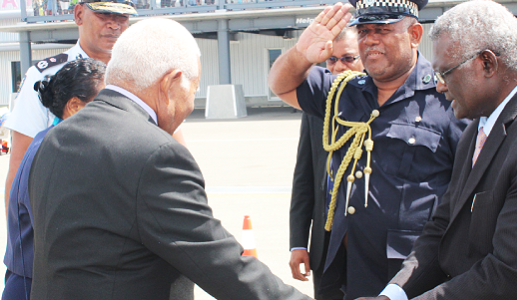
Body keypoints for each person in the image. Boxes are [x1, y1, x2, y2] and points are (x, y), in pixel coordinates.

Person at [28, 18, 311, 300]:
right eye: (194, 89)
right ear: (171, 82)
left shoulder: (55, 138)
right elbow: (223, 266)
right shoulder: (154, 154)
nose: (190, 103)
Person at [359, 1, 517, 299]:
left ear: (486, 63)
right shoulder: (480, 123)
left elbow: (507, 274)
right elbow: (443, 227)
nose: (440, 87)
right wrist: (393, 294)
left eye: (445, 73)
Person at [268, 1, 468, 299]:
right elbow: (281, 85)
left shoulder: (448, 98)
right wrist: (301, 54)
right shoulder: (343, 91)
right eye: (363, 31)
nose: (370, 39)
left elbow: (470, 193)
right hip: (341, 267)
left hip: (408, 275)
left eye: (383, 30)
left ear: (414, 34)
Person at [3, 0, 137, 218]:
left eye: (122, 17)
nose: (114, 25)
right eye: (104, 15)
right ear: (78, 14)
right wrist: (21, 243)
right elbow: (20, 165)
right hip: (68, 215)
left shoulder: (139, 74)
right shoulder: (45, 75)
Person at [2, 59, 106, 300]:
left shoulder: (55, 140)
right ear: (75, 107)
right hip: (34, 287)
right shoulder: (55, 149)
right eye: (106, 103)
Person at [289, 27, 363, 300]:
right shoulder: (318, 106)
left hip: (369, 245)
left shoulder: (384, 105)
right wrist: (298, 243)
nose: (339, 67)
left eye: (348, 58)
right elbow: (304, 178)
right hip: (325, 244)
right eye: (331, 60)